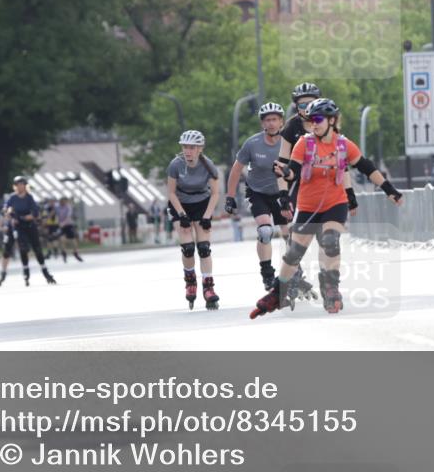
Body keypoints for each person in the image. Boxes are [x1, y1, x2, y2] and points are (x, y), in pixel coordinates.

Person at [252, 99, 403, 318]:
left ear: (332, 120)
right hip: (308, 205)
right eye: (311, 120)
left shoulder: (343, 145)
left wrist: (389, 190)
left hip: (335, 203)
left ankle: (331, 287)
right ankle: (278, 291)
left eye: (318, 119)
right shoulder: (304, 143)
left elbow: (367, 167)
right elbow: (293, 170)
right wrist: (285, 173)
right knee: (294, 252)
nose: (314, 124)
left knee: (330, 241)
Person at [225, 101, 290, 290]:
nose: (271, 123)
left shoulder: (289, 143)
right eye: (267, 120)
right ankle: (267, 274)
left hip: (282, 192)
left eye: (275, 119)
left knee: (289, 234)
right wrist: (230, 197)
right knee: (265, 231)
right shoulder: (252, 144)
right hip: (257, 192)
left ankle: (295, 270)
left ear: (281, 122)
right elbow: (236, 169)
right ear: (262, 123)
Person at [166, 130, 220, 310]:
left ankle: (208, 287)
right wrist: (182, 215)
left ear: (200, 149)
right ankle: (190, 282)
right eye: (185, 147)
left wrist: (207, 216)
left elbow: (215, 193)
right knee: (188, 248)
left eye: (192, 147)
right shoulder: (175, 164)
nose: (188, 151)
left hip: (202, 203)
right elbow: (171, 193)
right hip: (180, 203)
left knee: (203, 248)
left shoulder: (208, 165)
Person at [4, 176, 56, 286]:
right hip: (19, 226)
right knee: (23, 248)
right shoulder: (12, 198)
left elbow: (35, 212)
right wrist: (9, 212)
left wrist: (29, 216)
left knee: (37, 249)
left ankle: (45, 272)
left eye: (22, 184)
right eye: (18, 185)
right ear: (15, 186)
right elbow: (6, 208)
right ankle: (26, 271)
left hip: (30, 225)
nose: (20, 186)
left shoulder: (29, 197)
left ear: (25, 186)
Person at [0, 197, 19, 288]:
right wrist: (4, 228)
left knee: (23, 247)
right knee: (5, 253)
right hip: (8, 234)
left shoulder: (17, 211)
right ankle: (3, 272)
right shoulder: (2, 213)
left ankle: (26, 269)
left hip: (18, 232)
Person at [56, 196, 84, 262]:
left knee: (73, 240)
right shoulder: (58, 207)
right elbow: (57, 216)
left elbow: (68, 216)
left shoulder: (68, 207)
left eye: (64, 201)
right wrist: (59, 223)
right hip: (61, 226)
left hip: (68, 225)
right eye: (61, 202)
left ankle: (75, 252)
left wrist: (63, 223)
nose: (62, 203)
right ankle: (64, 253)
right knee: (62, 240)